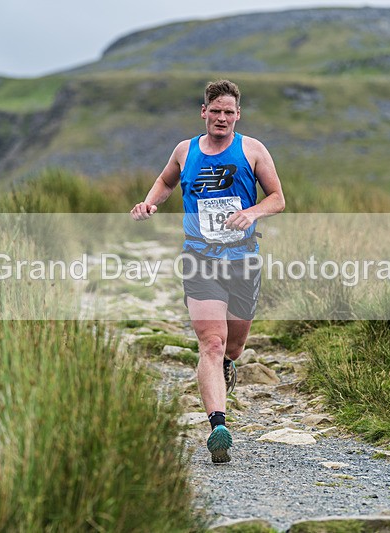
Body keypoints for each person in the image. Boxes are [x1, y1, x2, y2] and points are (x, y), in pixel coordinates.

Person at [131, 79, 285, 463]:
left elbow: (278, 198)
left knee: (233, 345)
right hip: (199, 258)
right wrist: (150, 203)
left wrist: (251, 212)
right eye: (214, 111)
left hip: (243, 259)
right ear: (204, 112)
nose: (221, 118)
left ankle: (229, 365)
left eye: (228, 112)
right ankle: (219, 425)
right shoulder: (185, 151)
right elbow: (166, 182)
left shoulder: (252, 149)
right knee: (211, 343)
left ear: (238, 115)